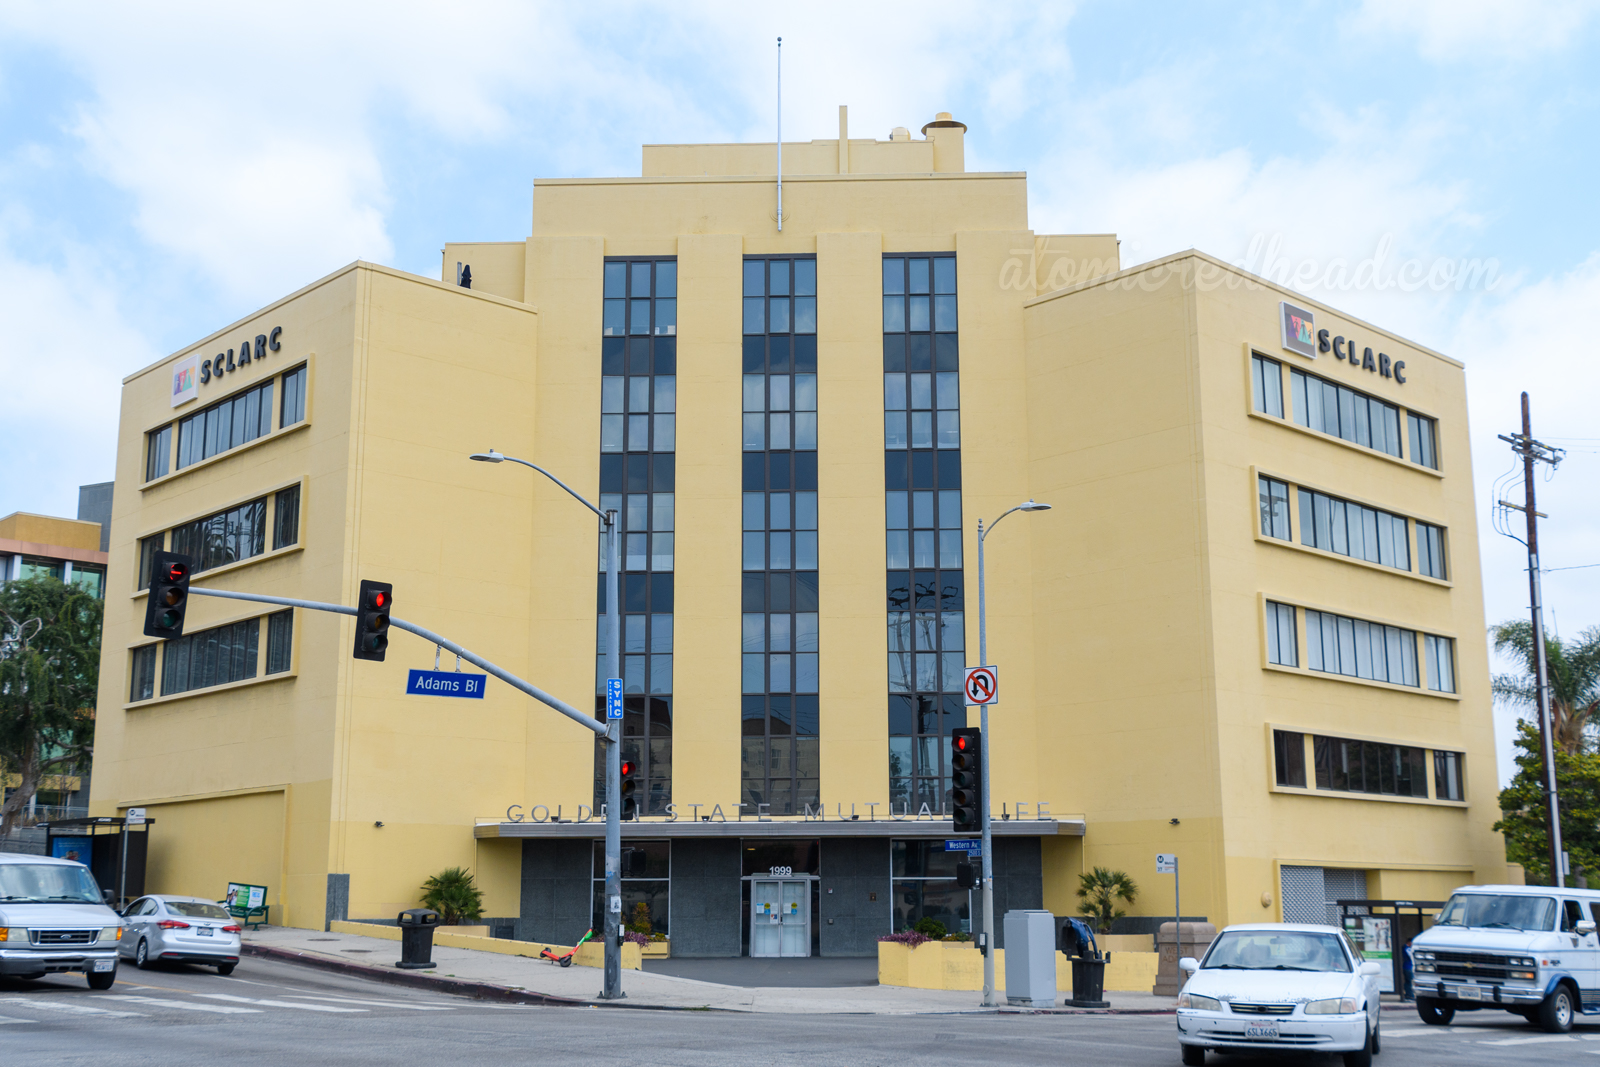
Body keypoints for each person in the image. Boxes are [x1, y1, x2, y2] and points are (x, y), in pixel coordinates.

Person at [1402, 937, 1415, 1001]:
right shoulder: (1407, 949)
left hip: (1406, 967)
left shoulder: (1404, 948)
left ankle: (1408, 994)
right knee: (1409, 981)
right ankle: (1410, 995)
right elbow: (1411, 957)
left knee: (1407, 981)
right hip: (1408, 967)